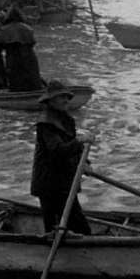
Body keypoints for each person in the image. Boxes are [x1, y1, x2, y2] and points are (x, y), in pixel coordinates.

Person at [30, 81, 92, 237]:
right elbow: (58, 151)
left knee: (75, 226)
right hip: (50, 183)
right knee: (57, 229)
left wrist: (84, 162)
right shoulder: (45, 123)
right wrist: (79, 141)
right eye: (61, 97)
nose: (66, 100)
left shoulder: (66, 119)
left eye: (66, 97)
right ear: (51, 101)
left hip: (64, 181)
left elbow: (71, 147)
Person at [0, 6, 45, 91]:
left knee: (15, 80)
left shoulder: (4, 30)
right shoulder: (28, 28)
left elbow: (0, 45)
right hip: (29, 57)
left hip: (13, 58)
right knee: (32, 77)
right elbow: (32, 42)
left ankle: (16, 92)